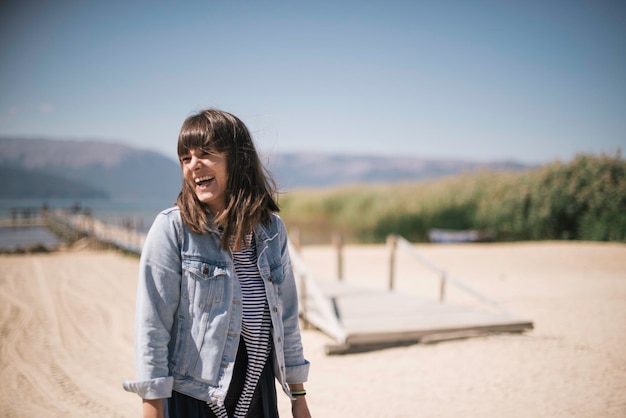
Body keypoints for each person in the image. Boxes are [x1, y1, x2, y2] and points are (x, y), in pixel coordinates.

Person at [123, 109, 311, 418]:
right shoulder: (172, 229)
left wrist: (298, 397)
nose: (193, 165)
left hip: (258, 397)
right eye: (186, 158)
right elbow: (152, 327)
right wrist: (151, 408)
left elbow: (287, 320)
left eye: (206, 154)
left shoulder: (271, 230)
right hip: (195, 398)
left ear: (237, 159)